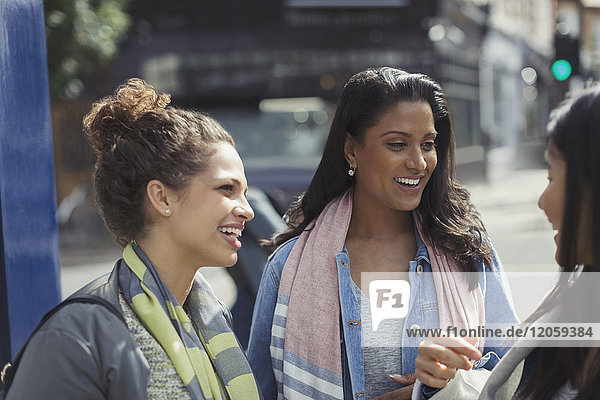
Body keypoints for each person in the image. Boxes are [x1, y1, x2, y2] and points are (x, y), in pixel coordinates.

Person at [247, 67, 518, 400]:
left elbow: (513, 377)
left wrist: (450, 385)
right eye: (397, 144)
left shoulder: (467, 253)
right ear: (351, 150)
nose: (419, 162)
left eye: (428, 144)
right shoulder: (288, 267)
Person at [5, 79, 261, 399]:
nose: (247, 211)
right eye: (227, 189)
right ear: (162, 198)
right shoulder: (74, 337)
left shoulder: (211, 316)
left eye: (245, 193)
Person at [414, 86, 600, 399]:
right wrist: (440, 384)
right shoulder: (578, 303)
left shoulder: (470, 248)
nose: (542, 201)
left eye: (552, 175)